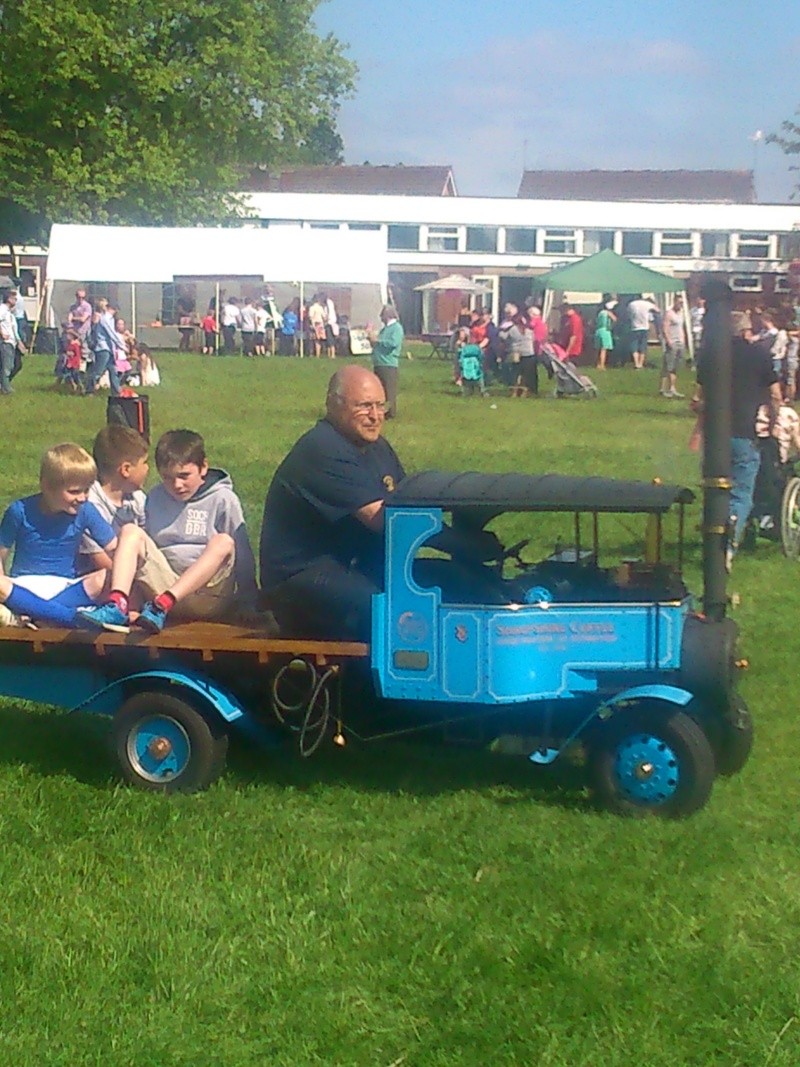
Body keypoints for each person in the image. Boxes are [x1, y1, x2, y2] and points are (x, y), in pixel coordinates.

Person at [260, 366, 501, 640]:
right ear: (333, 405)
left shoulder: (376, 447)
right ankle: (370, 682)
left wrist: (465, 544)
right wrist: (463, 544)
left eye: (380, 405)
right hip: (300, 578)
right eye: (364, 406)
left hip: (355, 565)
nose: (375, 416)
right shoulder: (322, 449)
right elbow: (387, 521)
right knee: (394, 613)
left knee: (455, 581)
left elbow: (409, 503)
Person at [78, 429, 258, 633]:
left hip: (208, 594)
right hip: (162, 589)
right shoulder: (154, 498)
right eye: (167, 477)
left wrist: (249, 601)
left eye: (184, 476)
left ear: (203, 467)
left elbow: (242, 554)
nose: (177, 485)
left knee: (224, 541)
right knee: (130, 531)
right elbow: (143, 556)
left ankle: (163, 603)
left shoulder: (223, 499)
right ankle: (117, 604)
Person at [694, 310, 781, 565]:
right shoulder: (760, 355)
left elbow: (700, 398)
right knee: (742, 491)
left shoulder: (710, 356)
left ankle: (714, 532)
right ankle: (728, 540)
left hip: (715, 435)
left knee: (714, 487)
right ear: (746, 331)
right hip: (745, 432)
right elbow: (775, 395)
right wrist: (774, 424)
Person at [0, 443, 116, 627]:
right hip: (24, 586)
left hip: (66, 586)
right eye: (74, 491)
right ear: (47, 486)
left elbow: (114, 548)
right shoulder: (19, 511)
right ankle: (72, 618)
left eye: (87, 490)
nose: (83, 497)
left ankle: (34, 615)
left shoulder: (85, 511)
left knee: (108, 576)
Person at [79, 425, 149, 573]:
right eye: (144, 463)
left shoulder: (137, 497)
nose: (147, 469)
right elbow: (100, 560)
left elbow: (148, 542)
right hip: (105, 576)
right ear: (126, 469)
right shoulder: (90, 505)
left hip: (137, 571)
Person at [369, 305, 403, 418]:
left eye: (382, 315)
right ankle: (381, 410)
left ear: (387, 315)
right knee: (380, 389)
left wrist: (378, 341)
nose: (380, 317)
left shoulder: (396, 328)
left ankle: (391, 412)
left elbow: (393, 343)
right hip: (379, 362)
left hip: (389, 363)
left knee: (389, 389)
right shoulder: (385, 329)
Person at [85, 299, 124, 396]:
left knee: (113, 371)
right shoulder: (105, 318)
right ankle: (89, 390)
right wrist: (121, 345)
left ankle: (116, 392)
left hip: (109, 348)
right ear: (113, 309)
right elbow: (111, 334)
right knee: (98, 371)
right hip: (103, 348)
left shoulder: (110, 319)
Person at [660, 296, 687, 398]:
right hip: (672, 342)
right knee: (668, 366)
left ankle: (672, 388)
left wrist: (683, 340)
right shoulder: (669, 313)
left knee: (675, 367)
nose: (680, 305)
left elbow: (681, 328)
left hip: (680, 342)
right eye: (679, 302)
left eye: (682, 303)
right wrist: (668, 341)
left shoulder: (681, 314)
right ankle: (662, 388)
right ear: (674, 302)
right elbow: (665, 328)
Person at [0, 289, 25, 395]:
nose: (16, 301)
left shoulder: (11, 313)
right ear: (9, 299)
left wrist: (19, 342)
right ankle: (6, 388)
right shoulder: (2, 309)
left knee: (16, 364)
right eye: (14, 298)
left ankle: (4, 384)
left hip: (12, 342)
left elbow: (14, 329)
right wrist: (2, 333)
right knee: (7, 366)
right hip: (5, 342)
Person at [627, 294, 659, 369]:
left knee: (634, 346)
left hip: (634, 327)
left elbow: (628, 314)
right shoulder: (647, 304)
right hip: (644, 327)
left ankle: (636, 363)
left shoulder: (631, 304)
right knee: (643, 346)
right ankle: (641, 364)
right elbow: (657, 310)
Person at [455, 328, 487, 396]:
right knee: (477, 376)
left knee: (475, 375)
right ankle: (481, 391)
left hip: (470, 365)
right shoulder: (465, 346)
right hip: (470, 364)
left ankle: (477, 390)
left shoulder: (472, 347)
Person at [594, 296, 617, 370]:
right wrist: (612, 326)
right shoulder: (607, 312)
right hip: (605, 331)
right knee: (604, 349)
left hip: (598, 331)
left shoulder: (600, 313)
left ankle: (598, 364)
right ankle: (602, 365)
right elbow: (615, 319)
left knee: (598, 349)